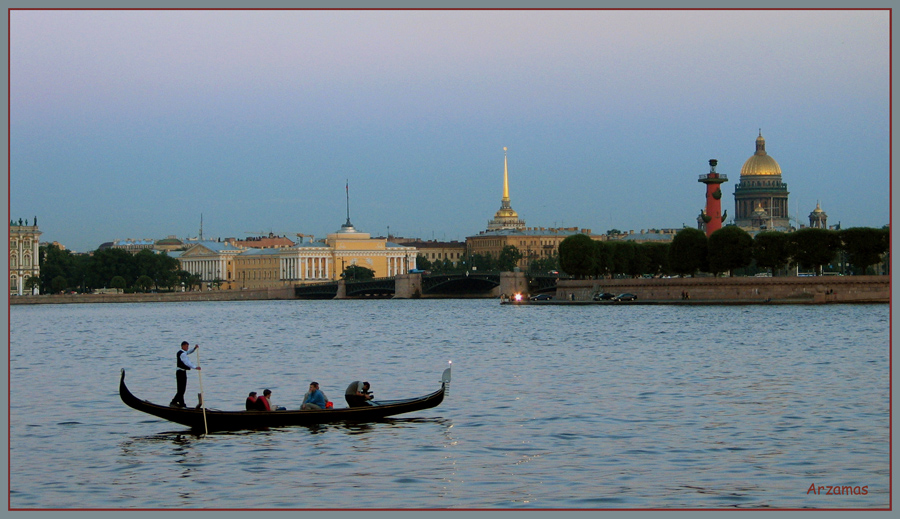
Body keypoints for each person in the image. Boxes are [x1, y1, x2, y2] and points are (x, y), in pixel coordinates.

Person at [170, 341, 200, 408]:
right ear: (182, 346)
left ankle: (181, 404)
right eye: (186, 346)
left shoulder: (182, 352)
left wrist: (194, 348)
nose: (187, 348)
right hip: (180, 373)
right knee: (181, 390)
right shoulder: (182, 354)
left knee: (181, 390)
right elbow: (187, 363)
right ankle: (173, 402)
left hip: (182, 372)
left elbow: (188, 352)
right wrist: (195, 367)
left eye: (188, 346)